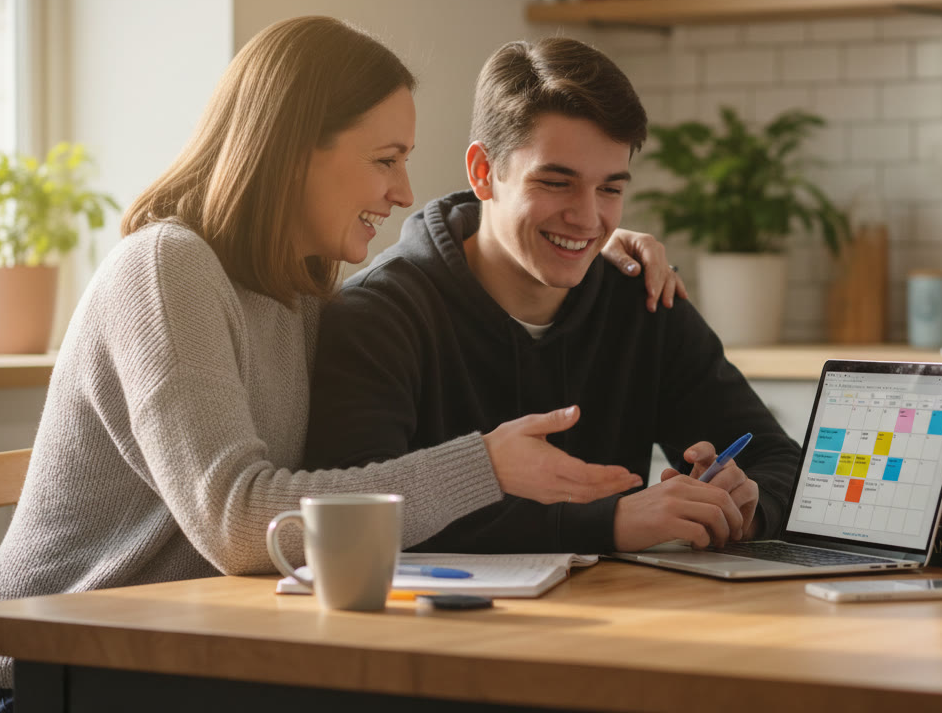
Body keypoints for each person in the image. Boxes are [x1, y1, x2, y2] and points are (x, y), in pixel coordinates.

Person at [0, 17, 682, 712]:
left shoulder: (299, 286)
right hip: (56, 675)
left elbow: (333, 478)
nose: (402, 191)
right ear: (292, 148)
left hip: (190, 655)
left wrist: (589, 240)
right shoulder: (165, 267)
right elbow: (240, 524)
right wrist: (485, 466)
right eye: (385, 160)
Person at [303, 37, 801, 554]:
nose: (588, 219)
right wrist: (609, 524)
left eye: (610, 189)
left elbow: (777, 458)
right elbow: (358, 513)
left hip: (624, 622)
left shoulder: (643, 302)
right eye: (556, 183)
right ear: (483, 172)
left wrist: (747, 502)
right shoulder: (376, 316)